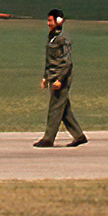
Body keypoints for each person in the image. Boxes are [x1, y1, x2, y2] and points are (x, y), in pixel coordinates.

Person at [35, 9, 88, 147]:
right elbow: (50, 60)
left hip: (61, 77)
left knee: (55, 107)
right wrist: (45, 77)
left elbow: (67, 62)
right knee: (63, 108)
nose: (48, 23)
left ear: (59, 22)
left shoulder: (63, 39)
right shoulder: (52, 37)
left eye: (50, 21)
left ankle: (48, 138)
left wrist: (59, 79)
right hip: (53, 76)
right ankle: (79, 136)